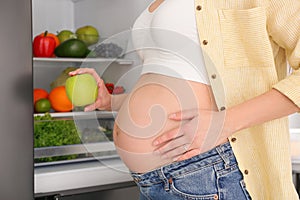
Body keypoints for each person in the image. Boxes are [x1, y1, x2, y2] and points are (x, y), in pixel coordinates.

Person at [69, 0, 300, 199]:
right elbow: (177, 80)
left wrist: (225, 122)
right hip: (152, 181)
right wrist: (112, 101)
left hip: (207, 172)